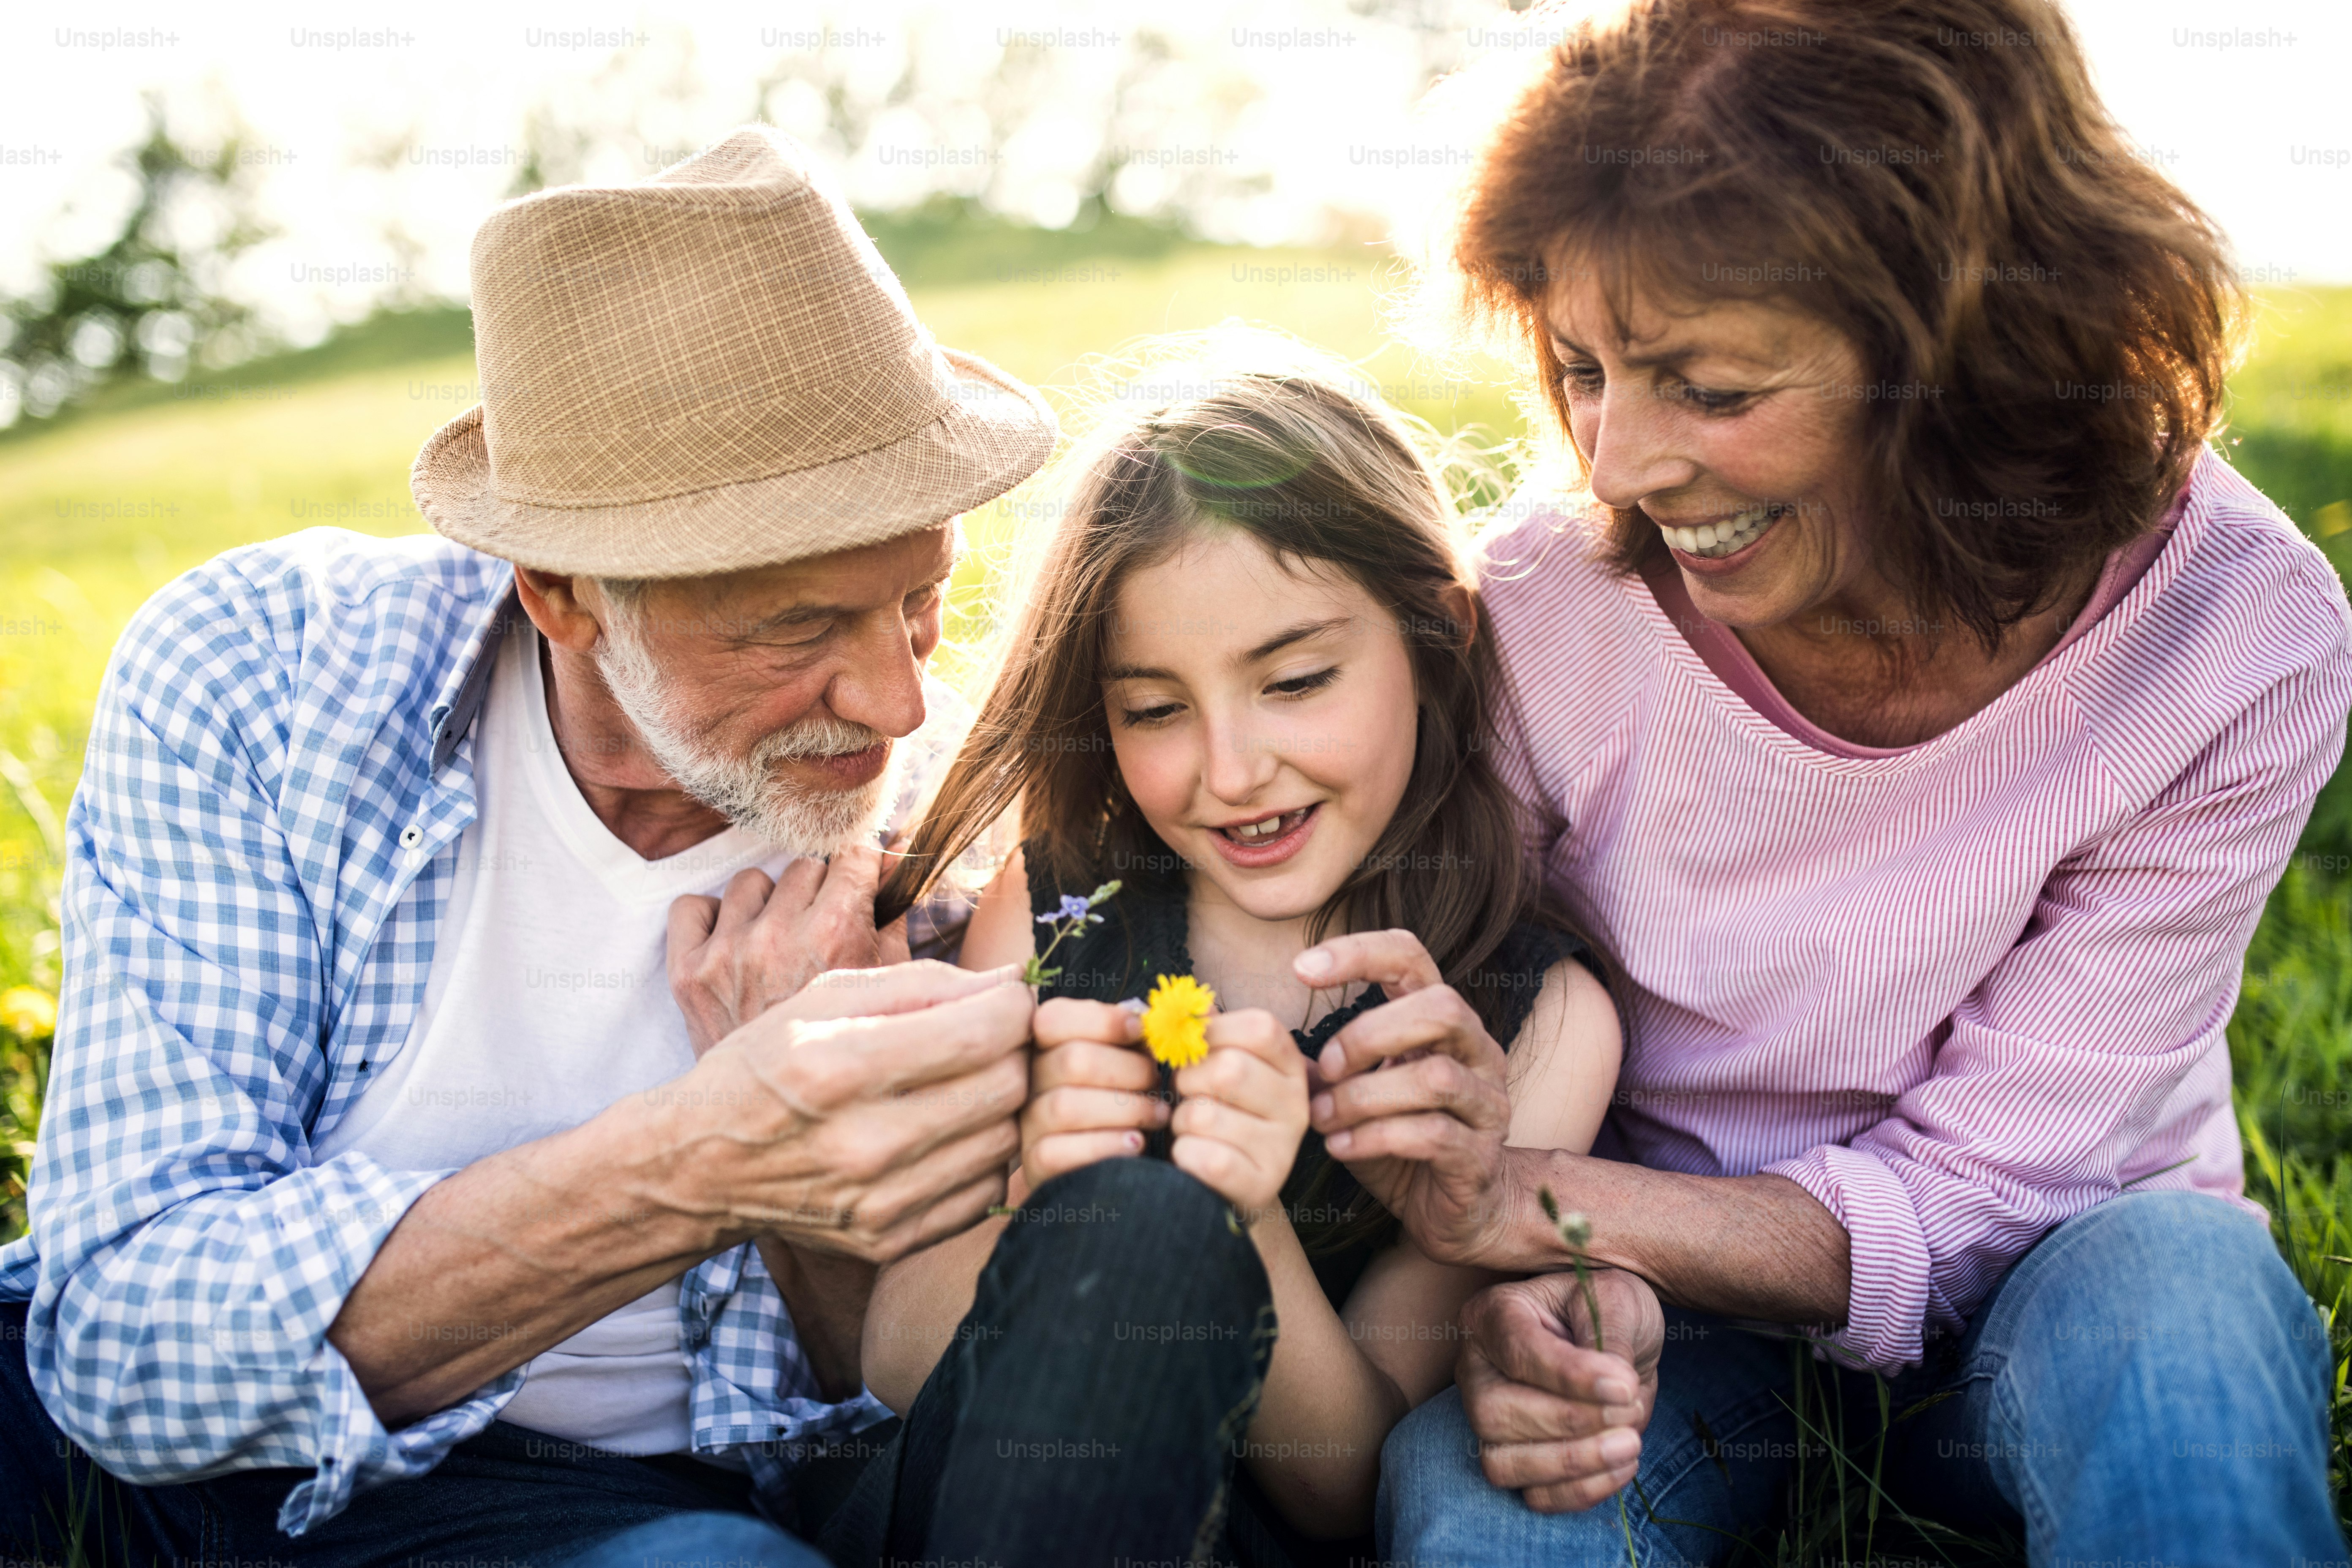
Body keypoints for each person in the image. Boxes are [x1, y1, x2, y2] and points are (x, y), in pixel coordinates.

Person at [1348, 1, 2352, 1562]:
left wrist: (1526, 1202)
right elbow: (1472, 988)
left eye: (1711, 389)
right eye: (1581, 367)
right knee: (1485, 1499)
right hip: (1668, 1305)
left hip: (2070, 1269)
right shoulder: (1551, 608)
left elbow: (1994, 1187)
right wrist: (1538, 1283)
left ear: (1972, 355)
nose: (1613, 463)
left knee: (2189, 1316)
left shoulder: (2234, 630)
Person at [0, 127, 1062, 1565]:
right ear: (561, 591)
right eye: (797, 628)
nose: (898, 700)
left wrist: (821, 1202)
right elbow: (131, 1353)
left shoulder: (942, 815)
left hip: (597, 1502)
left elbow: (888, 1435)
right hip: (137, 1464)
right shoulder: (262, 675)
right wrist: (710, 1152)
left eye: (922, 596)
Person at [846, 337, 1624, 1566]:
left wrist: (1240, 1211)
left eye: (1296, 680)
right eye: (1154, 709)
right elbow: (894, 1358)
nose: (1231, 769)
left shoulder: (1529, 1018)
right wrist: (1042, 1189)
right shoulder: (1054, 917)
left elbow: (1350, 1484)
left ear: (1438, 639)